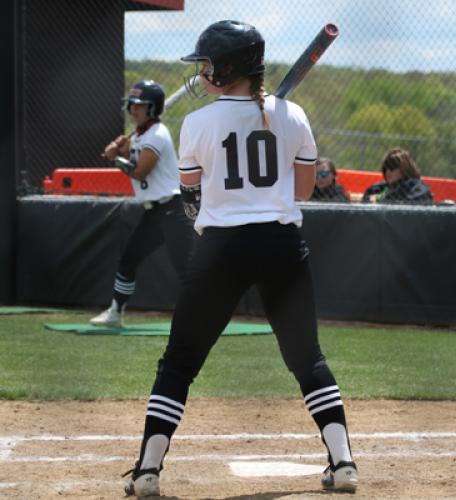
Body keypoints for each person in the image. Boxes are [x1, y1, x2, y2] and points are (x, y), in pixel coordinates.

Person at [122, 20, 358, 498]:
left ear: (229, 67)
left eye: (208, 63)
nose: (203, 71)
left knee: (180, 362)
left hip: (221, 247)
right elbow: (304, 190)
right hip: (281, 243)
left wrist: (208, 203)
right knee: (307, 358)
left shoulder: (196, 122)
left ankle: (147, 473)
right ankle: (344, 462)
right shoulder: (294, 114)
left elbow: (189, 196)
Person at [90, 80, 194, 327]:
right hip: (155, 211)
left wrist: (117, 159)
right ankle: (115, 313)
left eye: (139, 106)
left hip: (173, 209)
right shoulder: (140, 135)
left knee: (186, 268)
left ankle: (203, 315)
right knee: (129, 259)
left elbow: (140, 172)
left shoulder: (157, 135)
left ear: (152, 108)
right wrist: (121, 151)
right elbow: (127, 157)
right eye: (131, 105)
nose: (133, 110)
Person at [362, 148, 433, 204]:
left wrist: (380, 200)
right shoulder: (380, 188)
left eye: (392, 166)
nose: (388, 171)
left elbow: (414, 204)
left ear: (405, 168)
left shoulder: (416, 186)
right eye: (386, 167)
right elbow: (366, 199)